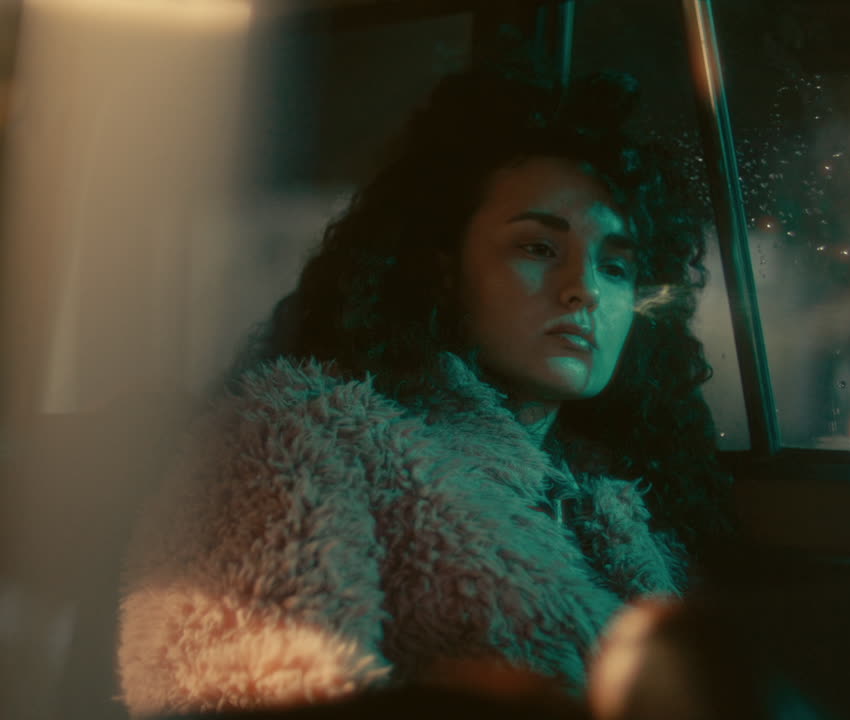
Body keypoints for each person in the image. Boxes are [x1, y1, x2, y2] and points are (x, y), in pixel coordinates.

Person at [116, 67, 730, 717]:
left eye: (616, 264)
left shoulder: (617, 498)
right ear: (440, 267)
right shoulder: (297, 437)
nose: (585, 289)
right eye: (538, 247)